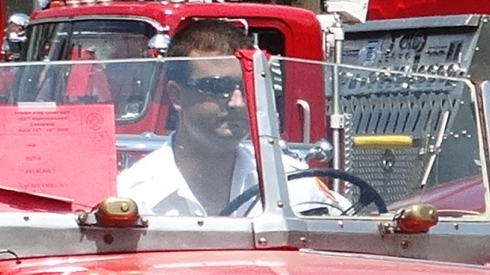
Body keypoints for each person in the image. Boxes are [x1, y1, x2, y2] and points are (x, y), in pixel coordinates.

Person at [114, 21, 337, 216]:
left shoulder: (291, 182)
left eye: (247, 87)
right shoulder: (132, 196)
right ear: (176, 95)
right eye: (217, 87)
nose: (237, 103)